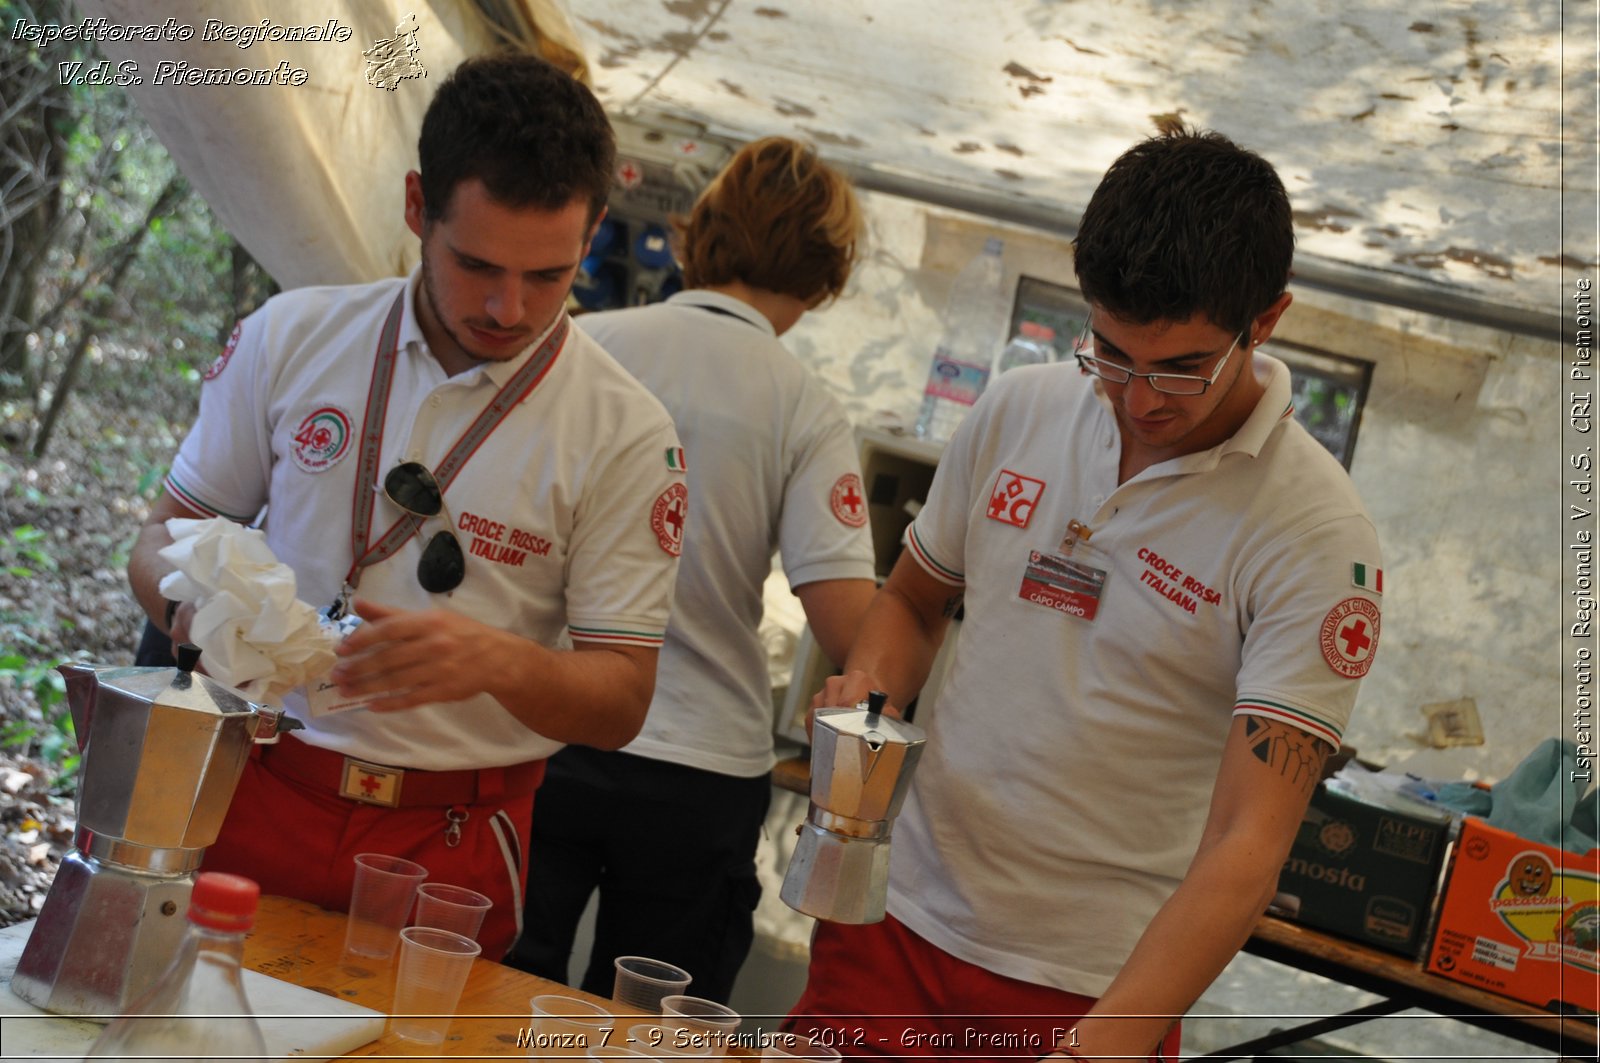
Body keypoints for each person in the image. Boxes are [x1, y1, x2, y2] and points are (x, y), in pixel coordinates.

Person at [787, 128, 1384, 1060]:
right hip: (893, 919)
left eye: (1182, 366)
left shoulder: (1315, 534)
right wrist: (868, 698)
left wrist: (1102, 1042)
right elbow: (910, 603)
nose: (1139, 399)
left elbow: (1245, 844)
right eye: (1109, 352)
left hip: (1090, 985)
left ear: (1264, 321)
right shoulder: (1019, 410)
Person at [125, 54, 685, 961]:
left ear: (592, 236)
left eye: (550, 275)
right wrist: (199, 614)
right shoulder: (295, 334)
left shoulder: (626, 431)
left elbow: (622, 697)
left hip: (453, 834)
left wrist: (496, 661)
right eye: (476, 265)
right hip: (253, 780)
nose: (509, 307)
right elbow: (158, 540)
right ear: (418, 207)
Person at [505, 137, 878, 1002]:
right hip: (702, 768)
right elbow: (848, 626)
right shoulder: (804, 406)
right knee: (656, 1030)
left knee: (489, 993)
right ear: (828, 275)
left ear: (696, 233)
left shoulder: (577, 345)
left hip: (546, 720)